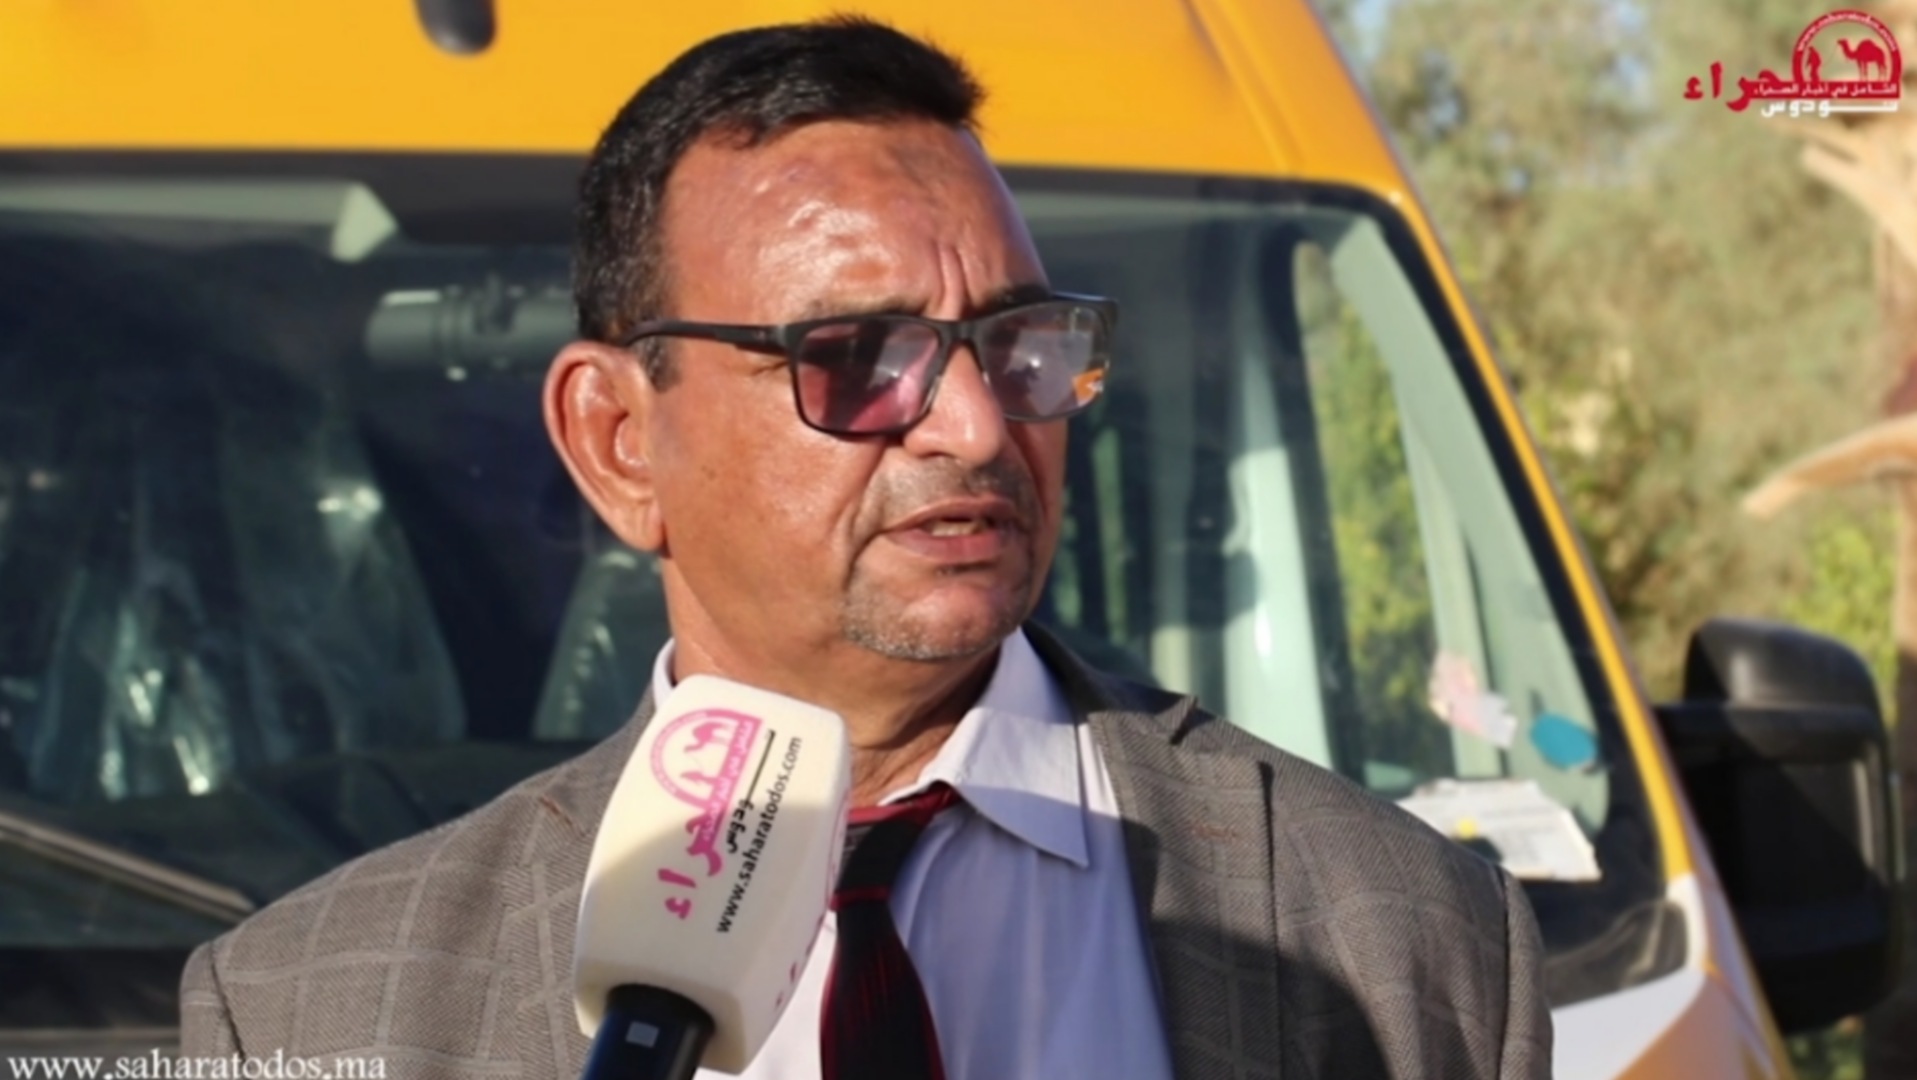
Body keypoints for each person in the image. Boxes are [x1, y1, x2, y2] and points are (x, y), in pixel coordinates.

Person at [181, 17, 1551, 1079]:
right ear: (619, 441)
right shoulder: (306, 1009)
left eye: (1016, 341)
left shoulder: (1408, 938)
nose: (975, 424)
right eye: (855, 356)